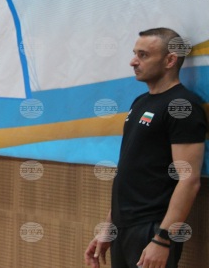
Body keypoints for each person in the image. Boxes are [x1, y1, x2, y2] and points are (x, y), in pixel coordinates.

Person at [85, 28, 206, 268]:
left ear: (170, 60)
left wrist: (162, 239)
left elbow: (189, 181)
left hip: (152, 228)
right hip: (124, 227)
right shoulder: (140, 102)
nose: (133, 61)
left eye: (143, 55)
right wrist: (110, 227)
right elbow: (130, 172)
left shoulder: (182, 106)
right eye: (135, 53)